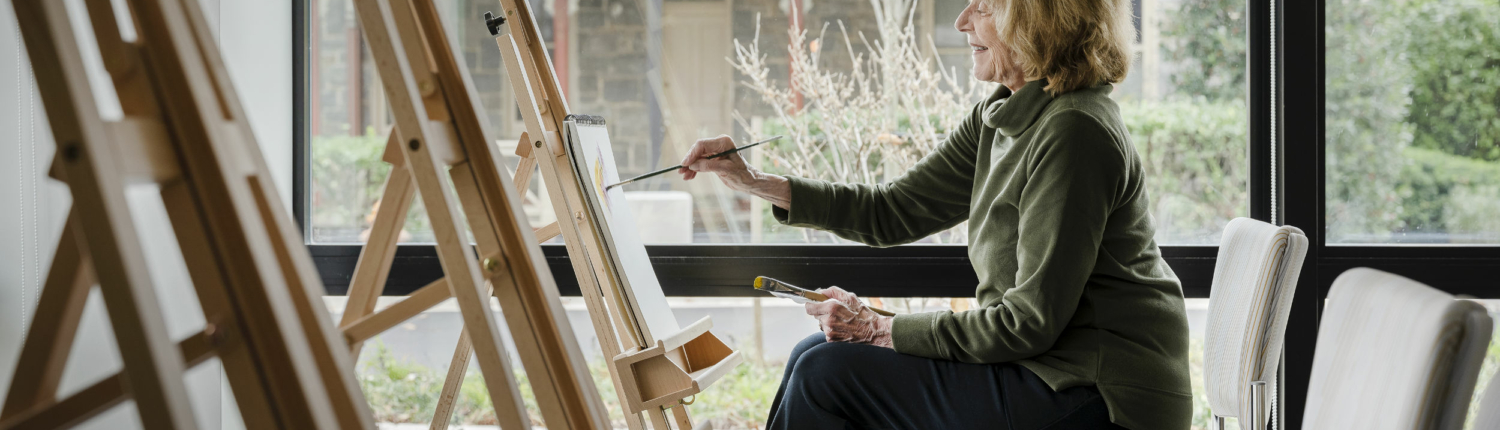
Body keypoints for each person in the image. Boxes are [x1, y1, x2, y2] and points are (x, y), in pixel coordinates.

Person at [677, 0, 1191, 428]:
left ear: (1039, 18)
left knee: (827, 374)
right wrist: (753, 182)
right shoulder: (1004, 115)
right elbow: (893, 210)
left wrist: (880, 328)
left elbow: (1026, 326)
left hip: (1101, 393)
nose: (963, 20)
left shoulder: (1073, 132)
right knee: (812, 355)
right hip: (1041, 367)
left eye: (985, 6)